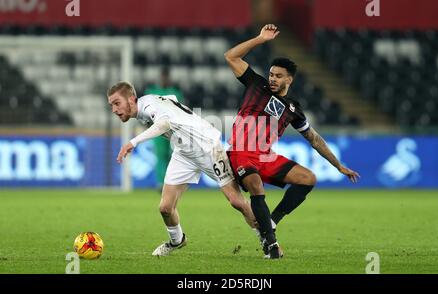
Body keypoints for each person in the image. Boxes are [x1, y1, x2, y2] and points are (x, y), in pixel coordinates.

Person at [224, 24, 360, 259]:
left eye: (278, 76)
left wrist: (338, 166)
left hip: (265, 156)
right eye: (271, 74)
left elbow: (314, 139)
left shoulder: (293, 108)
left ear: (290, 79)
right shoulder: (256, 85)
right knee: (256, 185)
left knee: (308, 178)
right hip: (241, 152)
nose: (272, 79)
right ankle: (271, 244)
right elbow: (230, 56)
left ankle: (272, 222)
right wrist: (259, 39)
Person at [107, 81, 257, 256]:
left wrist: (133, 142)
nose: (114, 110)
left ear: (131, 99)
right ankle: (177, 240)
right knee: (165, 208)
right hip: (184, 153)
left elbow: (164, 124)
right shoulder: (148, 104)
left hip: (207, 147)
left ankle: (267, 238)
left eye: (117, 103)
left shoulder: (148, 104)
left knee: (237, 201)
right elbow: (172, 100)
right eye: (111, 105)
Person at [144, 67, 184, 190]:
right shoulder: (152, 92)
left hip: (173, 129)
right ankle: (161, 183)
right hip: (158, 130)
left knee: (172, 155)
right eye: (162, 77)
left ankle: (172, 181)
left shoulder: (175, 93)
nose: (164, 79)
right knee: (161, 156)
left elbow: (181, 111)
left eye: (166, 77)